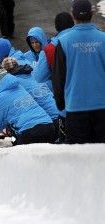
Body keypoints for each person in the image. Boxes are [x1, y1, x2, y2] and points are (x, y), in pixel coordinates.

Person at [52, 0, 105, 144]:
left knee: (78, 155)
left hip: (75, 107)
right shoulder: (103, 40)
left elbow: (58, 78)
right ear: (92, 14)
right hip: (102, 107)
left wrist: (60, 103)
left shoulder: (63, 42)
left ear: (72, 14)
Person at [32, 12, 74, 143]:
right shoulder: (92, 39)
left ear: (57, 28)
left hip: (67, 105)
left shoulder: (50, 48)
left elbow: (38, 77)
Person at [0, 73, 55, 145]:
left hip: (31, 129)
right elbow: (8, 118)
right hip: (48, 125)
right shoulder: (19, 88)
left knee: (19, 154)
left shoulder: (1, 98)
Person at [2, 57, 59, 142]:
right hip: (58, 114)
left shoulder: (15, 82)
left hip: (46, 120)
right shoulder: (33, 74)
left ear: (6, 71)